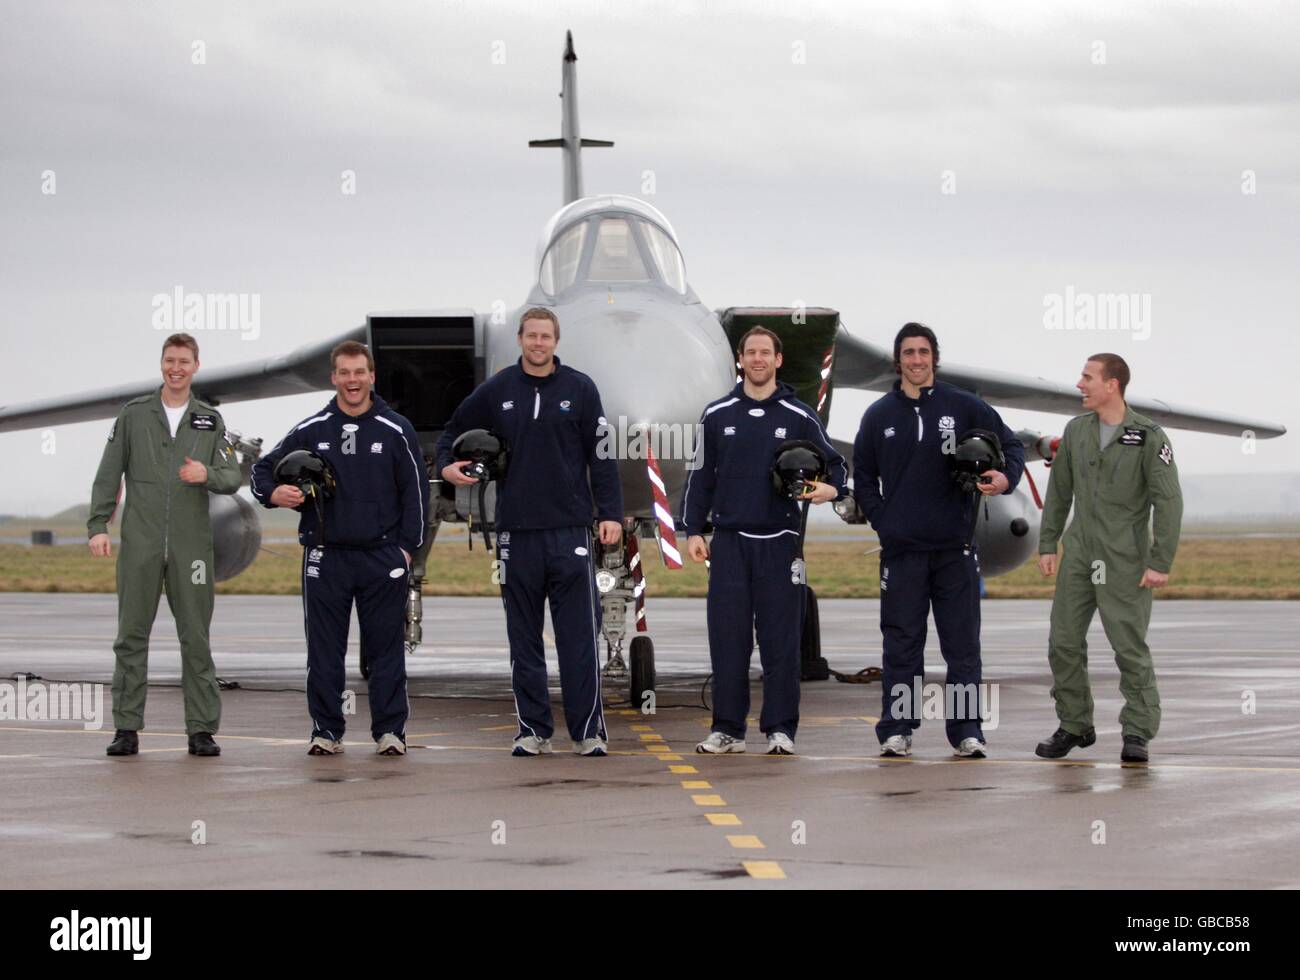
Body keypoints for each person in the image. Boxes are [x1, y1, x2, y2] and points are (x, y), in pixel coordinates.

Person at [435, 308, 623, 757]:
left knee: (579, 638)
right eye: (531, 336)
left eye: (546, 336)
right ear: (520, 339)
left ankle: (588, 732)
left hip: (570, 532)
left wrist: (610, 512)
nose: (538, 343)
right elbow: (452, 431)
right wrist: (446, 466)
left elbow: (602, 455)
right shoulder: (499, 390)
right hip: (515, 534)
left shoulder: (580, 389)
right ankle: (532, 730)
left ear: (556, 341)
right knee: (524, 640)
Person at [853, 322, 1025, 758]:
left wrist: (1005, 478)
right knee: (901, 645)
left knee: (962, 647)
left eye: (923, 352)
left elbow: (1011, 445)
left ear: (934, 358)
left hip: (955, 551)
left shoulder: (964, 406)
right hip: (902, 552)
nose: (916, 360)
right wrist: (883, 521)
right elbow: (864, 476)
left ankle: (967, 731)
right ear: (898, 360)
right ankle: (897, 729)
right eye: (908, 353)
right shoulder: (879, 416)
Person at [251, 341, 429, 757]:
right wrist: (274, 493)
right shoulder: (312, 429)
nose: (352, 380)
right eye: (344, 373)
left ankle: (390, 732)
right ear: (334, 378)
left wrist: (406, 551)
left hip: (382, 558)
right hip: (325, 557)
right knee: (325, 652)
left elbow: (416, 494)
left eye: (359, 372)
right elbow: (262, 470)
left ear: (371, 376)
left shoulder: (396, 429)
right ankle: (326, 731)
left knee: (386, 651)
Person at [682, 326, 848, 756]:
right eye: (750, 352)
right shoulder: (717, 414)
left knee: (780, 643)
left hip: (780, 543)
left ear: (778, 361)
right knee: (728, 641)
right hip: (731, 542)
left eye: (765, 353)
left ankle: (780, 729)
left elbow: (835, 465)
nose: (757, 359)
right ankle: (727, 730)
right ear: (740, 360)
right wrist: (693, 530)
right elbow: (700, 477)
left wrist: (833, 490)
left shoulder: (799, 414)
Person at [88, 332, 242, 757]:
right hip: (141, 543)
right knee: (131, 636)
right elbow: (108, 473)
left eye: (184, 362)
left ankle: (201, 729)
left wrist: (206, 475)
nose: (176, 368)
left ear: (196, 367)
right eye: (170, 360)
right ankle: (126, 727)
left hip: (192, 548)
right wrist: (98, 524)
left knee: (195, 636)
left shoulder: (210, 420)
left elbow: (233, 476)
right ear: (162, 364)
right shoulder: (134, 415)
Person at [1036, 353, 1182, 763]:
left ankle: (1137, 730)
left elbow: (1168, 502)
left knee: (1127, 646)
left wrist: (1160, 560)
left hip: (1125, 557)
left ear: (1112, 384)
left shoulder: (1149, 436)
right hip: (1080, 551)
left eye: (1087, 377)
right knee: (1062, 642)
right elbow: (1060, 493)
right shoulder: (1076, 432)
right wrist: (1049, 544)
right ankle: (1074, 725)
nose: (1080, 384)